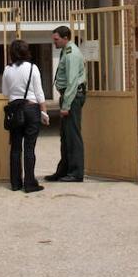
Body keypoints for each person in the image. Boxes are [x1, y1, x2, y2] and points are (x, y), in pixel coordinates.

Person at [2, 39, 50, 193]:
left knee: (15, 148)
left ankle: (15, 183)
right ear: (26, 52)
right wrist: (44, 112)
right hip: (31, 109)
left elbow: (5, 93)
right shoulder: (32, 68)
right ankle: (30, 183)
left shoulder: (7, 70)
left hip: (15, 110)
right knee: (29, 148)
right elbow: (39, 92)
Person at [47, 25, 86, 182]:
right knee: (65, 136)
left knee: (72, 136)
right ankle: (63, 170)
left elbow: (72, 82)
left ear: (65, 38)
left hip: (73, 97)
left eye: (56, 39)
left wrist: (66, 105)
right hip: (69, 96)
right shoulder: (65, 51)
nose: (54, 42)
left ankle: (76, 173)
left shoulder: (71, 54)